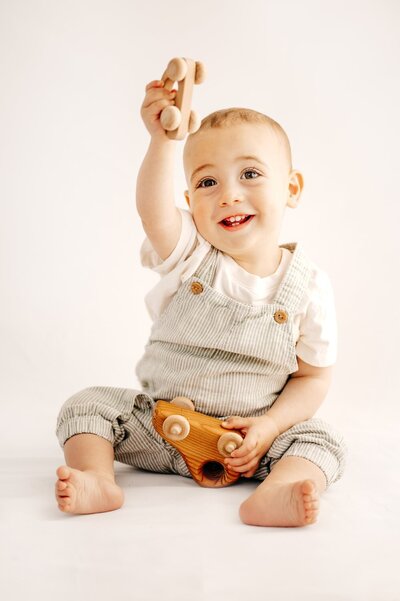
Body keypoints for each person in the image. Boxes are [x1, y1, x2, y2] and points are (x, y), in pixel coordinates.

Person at [54, 78, 347, 527]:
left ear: (291, 188)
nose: (229, 194)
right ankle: (96, 477)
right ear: (190, 202)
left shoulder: (309, 287)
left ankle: (279, 490)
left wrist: (268, 428)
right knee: (87, 404)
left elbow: (312, 378)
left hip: (251, 446)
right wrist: (161, 142)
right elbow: (153, 212)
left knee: (322, 440)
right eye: (208, 181)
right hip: (163, 430)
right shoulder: (191, 255)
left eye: (250, 174)